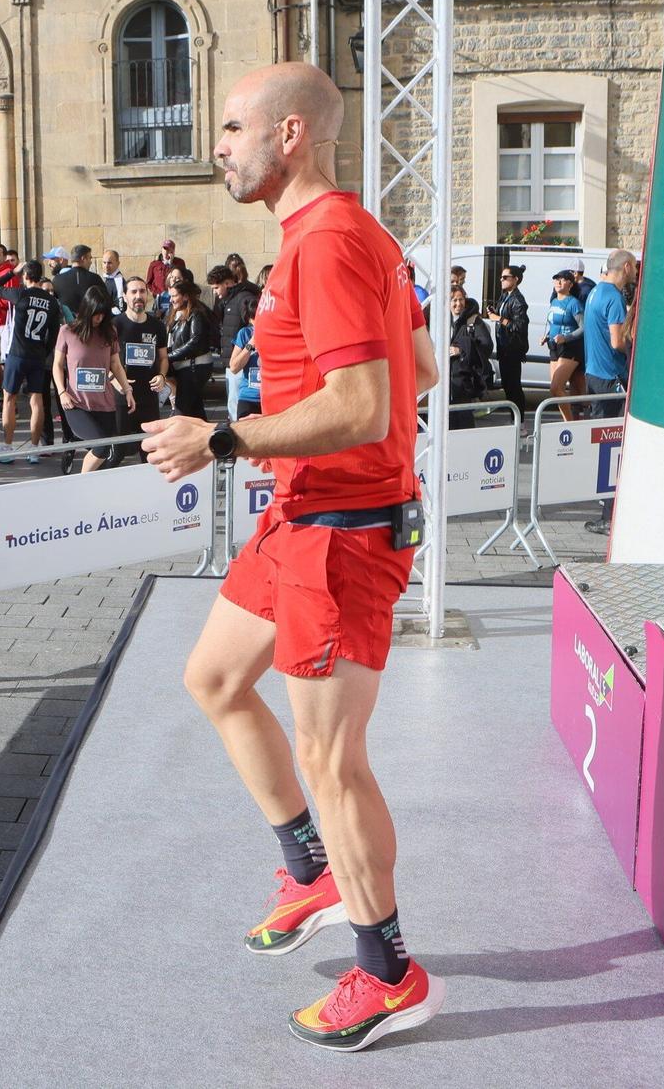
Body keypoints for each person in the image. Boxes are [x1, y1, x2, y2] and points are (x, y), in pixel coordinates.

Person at [140, 61, 443, 1050]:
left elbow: (366, 404)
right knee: (215, 678)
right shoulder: (343, 238)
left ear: (290, 136)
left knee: (331, 758)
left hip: (340, 535)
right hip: (304, 515)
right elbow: (421, 369)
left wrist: (221, 437)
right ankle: (310, 871)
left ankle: (386, 971)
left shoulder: (326, 244)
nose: (215, 145)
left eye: (230, 127)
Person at [580, 249, 636, 535]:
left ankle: (607, 511)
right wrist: (633, 346)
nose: (636, 272)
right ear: (626, 267)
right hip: (610, 379)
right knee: (612, 448)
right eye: (635, 267)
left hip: (594, 376)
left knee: (604, 447)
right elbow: (616, 341)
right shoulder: (613, 297)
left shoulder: (594, 293)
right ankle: (609, 516)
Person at [53, 282, 133, 472]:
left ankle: (94, 486)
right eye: (96, 313)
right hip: (76, 403)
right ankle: (83, 483)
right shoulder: (67, 331)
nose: (99, 318)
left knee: (105, 451)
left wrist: (127, 389)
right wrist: (62, 392)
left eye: (103, 314)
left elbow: (115, 364)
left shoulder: (109, 332)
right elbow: (57, 365)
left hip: (104, 403)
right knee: (102, 446)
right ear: (87, 309)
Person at [0, 258, 59, 462]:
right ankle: (35, 448)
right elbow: (53, 334)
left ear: (26, 276)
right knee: (36, 400)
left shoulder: (20, 294)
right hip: (37, 355)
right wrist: (44, 351)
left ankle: (8, 447)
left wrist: (12, 272)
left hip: (18, 353)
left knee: (9, 398)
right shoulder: (51, 301)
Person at [115, 275, 170, 461]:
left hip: (149, 398)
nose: (138, 296)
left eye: (142, 291)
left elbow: (163, 358)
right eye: (134, 292)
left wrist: (162, 376)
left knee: (150, 451)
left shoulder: (157, 326)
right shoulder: (115, 325)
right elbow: (104, 359)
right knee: (117, 451)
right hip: (122, 398)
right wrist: (114, 380)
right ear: (124, 296)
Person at [209, 263, 261, 421]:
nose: (215, 292)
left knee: (235, 405)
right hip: (233, 359)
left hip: (247, 364)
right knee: (233, 405)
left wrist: (248, 345)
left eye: (216, 287)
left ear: (227, 283)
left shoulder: (243, 297)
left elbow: (252, 324)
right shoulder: (228, 300)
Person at [165, 277, 218, 419]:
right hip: (184, 368)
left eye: (174, 296)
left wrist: (169, 356)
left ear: (186, 296)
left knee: (181, 412)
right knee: (196, 411)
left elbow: (196, 342)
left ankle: (177, 440)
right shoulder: (175, 315)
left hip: (194, 368)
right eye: (170, 296)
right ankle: (207, 439)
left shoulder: (196, 314)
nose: (171, 300)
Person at [487, 264, 530, 417]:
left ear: (516, 279)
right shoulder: (506, 295)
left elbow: (519, 326)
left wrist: (498, 318)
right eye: (501, 277)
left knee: (513, 387)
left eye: (505, 277)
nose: (501, 280)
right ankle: (515, 420)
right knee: (507, 386)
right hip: (504, 347)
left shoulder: (518, 300)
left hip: (512, 349)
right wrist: (494, 313)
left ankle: (520, 421)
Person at [544, 269, 586, 422]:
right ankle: (567, 421)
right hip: (554, 347)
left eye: (562, 279)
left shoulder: (574, 303)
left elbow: (583, 327)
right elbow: (552, 323)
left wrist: (566, 338)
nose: (558, 282)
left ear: (570, 283)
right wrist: (547, 335)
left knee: (556, 387)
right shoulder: (554, 301)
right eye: (556, 279)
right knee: (556, 391)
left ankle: (570, 423)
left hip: (570, 348)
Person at [446, 290, 493, 424]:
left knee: (463, 421)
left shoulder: (473, 321)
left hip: (464, 381)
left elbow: (486, 345)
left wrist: (462, 350)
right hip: (444, 382)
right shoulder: (440, 319)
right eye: (454, 300)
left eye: (461, 299)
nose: (458, 304)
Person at [229, 311, 263, 419]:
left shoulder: (276, 333)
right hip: (248, 397)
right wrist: (250, 344)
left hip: (270, 397)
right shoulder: (245, 333)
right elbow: (234, 368)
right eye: (253, 318)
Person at [52, 244, 100, 315]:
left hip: (66, 323)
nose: (91, 262)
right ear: (83, 258)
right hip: (88, 323)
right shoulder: (95, 278)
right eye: (90, 258)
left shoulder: (57, 279)